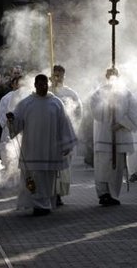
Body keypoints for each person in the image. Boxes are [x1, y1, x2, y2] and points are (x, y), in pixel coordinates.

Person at [6, 74, 77, 216]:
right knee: (34, 177)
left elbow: (64, 124)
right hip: (32, 148)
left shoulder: (56, 103)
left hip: (51, 149)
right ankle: (38, 205)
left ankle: (45, 204)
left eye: (45, 85)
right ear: (35, 85)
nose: (43, 87)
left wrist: (66, 144)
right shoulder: (26, 103)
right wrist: (12, 120)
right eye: (40, 85)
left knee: (47, 178)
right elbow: (17, 124)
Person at [90, 67, 137, 206]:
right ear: (106, 76)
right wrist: (107, 106)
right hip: (103, 135)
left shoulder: (126, 93)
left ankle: (113, 194)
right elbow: (94, 109)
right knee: (102, 166)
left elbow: (135, 112)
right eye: (110, 74)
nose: (112, 76)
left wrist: (121, 123)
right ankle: (103, 193)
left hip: (119, 136)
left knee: (116, 168)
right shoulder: (99, 92)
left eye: (114, 74)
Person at [50, 65, 83, 206]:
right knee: (50, 165)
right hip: (50, 134)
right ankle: (50, 192)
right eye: (55, 75)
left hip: (64, 134)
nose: (57, 78)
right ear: (51, 76)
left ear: (64, 76)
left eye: (60, 75)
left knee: (63, 167)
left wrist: (73, 129)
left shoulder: (70, 93)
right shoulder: (47, 92)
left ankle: (59, 194)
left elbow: (78, 112)